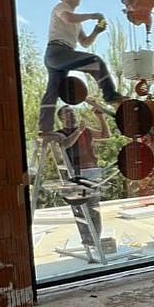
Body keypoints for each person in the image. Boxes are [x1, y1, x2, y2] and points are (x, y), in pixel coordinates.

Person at [38, 0, 122, 134]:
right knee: (95, 61)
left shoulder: (77, 22)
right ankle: (110, 96)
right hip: (58, 51)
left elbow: (85, 42)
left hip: (61, 55)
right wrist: (92, 15)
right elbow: (68, 18)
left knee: (52, 91)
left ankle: (45, 128)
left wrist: (96, 31)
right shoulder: (61, 7)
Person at [54, 99, 110, 256]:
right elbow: (65, 144)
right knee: (79, 209)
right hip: (75, 175)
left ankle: (95, 240)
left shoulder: (86, 131)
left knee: (93, 208)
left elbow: (106, 135)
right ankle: (87, 240)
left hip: (92, 172)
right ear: (61, 118)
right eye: (68, 113)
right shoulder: (61, 133)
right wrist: (79, 131)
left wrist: (100, 117)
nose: (72, 115)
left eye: (73, 112)